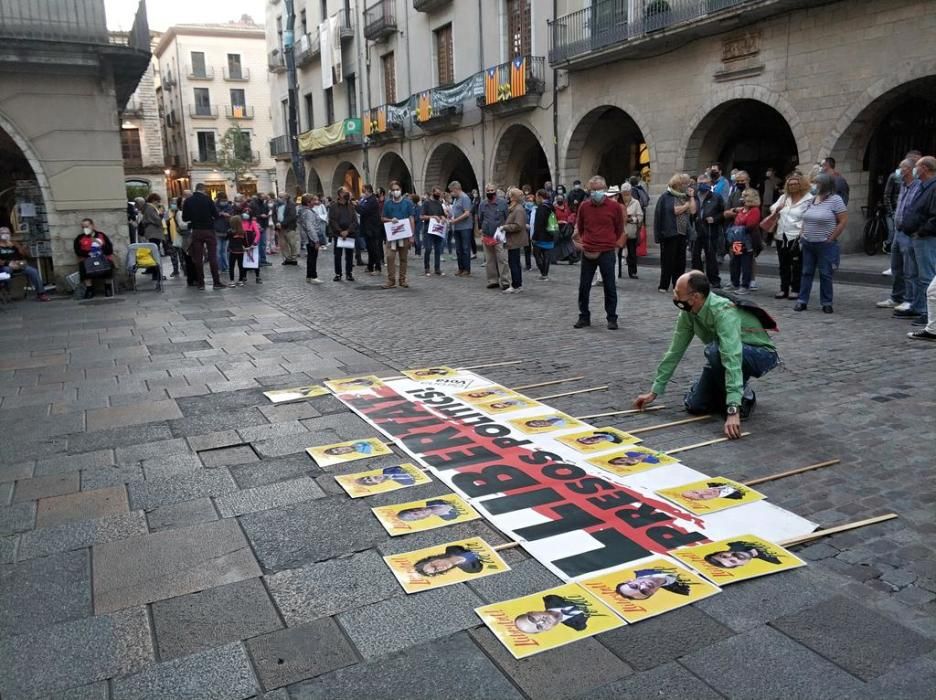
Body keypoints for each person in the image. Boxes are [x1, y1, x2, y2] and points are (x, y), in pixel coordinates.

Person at [634, 270, 779, 438]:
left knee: (715, 351)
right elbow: (675, 351)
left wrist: (733, 410)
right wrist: (655, 390)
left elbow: (731, 356)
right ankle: (723, 391)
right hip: (721, 354)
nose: (674, 297)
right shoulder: (688, 313)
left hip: (760, 354)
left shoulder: (723, 312)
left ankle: (744, 394)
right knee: (694, 405)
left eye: (678, 293)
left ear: (695, 297)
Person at [572, 175, 624, 329]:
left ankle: (612, 318)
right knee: (584, 286)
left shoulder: (614, 207)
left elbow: (619, 228)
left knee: (609, 286)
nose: (596, 192)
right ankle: (584, 316)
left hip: (607, 250)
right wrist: (586, 240)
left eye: (599, 189)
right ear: (589, 191)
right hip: (588, 250)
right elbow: (580, 227)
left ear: (605, 189)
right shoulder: (584, 206)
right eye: (593, 190)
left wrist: (610, 241)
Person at [795, 173, 848, 313]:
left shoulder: (835, 200)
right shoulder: (812, 200)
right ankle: (802, 300)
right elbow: (805, 219)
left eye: (816, 183)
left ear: (824, 184)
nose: (813, 185)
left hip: (825, 244)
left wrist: (831, 237)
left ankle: (826, 302)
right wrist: (802, 233)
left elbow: (842, 221)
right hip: (808, 242)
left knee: (825, 273)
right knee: (806, 272)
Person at [878, 155, 921, 311]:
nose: (899, 170)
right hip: (898, 229)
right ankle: (897, 296)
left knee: (910, 267)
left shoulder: (918, 186)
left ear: (908, 169)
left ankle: (910, 299)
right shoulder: (903, 185)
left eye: (902, 167)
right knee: (896, 265)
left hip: (909, 231)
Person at [903, 155, 936, 332]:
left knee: (927, 275)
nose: (915, 170)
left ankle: (927, 311)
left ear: (925, 168)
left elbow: (934, 216)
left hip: (926, 237)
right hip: (916, 236)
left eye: (917, 167)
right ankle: (917, 306)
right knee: (915, 274)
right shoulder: (924, 187)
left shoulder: (933, 187)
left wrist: (922, 230)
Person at [769, 171, 809, 299]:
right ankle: (783, 288)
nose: (792, 186)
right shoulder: (784, 197)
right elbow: (772, 208)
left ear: (801, 184)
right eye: (790, 184)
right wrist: (778, 208)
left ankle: (796, 288)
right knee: (783, 263)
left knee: (797, 264)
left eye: (795, 184)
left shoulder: (808, 199)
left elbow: (808, 217)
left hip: (796, 234)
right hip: (782, 233)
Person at [654, 173, 696, 293]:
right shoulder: (667, 197)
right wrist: (686, 205)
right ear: (678, 184)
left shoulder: (685, 196)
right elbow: (675, 211)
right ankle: (663, 285)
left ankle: (677, 285)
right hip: (669, 233)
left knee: (680, 262)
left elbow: (693, 211)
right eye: (685, 183)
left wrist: (691, 197)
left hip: (682, 233)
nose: (687, 185)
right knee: (668, 260)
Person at [182, 183, 223, 290]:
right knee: (212, 257)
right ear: (203, 190)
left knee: (198, 258)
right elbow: (216, 215)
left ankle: (200, 283)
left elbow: (185, 218)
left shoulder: (188, 201)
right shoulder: (208, 199)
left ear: (195, 189)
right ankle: (216, 282)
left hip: (196, 231)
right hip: (209, 230)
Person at [725, 188, 762, 293]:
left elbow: (751, 225)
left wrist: (739, 227)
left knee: (746, 263)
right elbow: (736, 221)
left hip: (747, 240)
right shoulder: (741, 210)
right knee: (735, 262)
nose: (742, 198)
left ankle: (745, 285)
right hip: (737, 240)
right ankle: (734, 282)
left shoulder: (754, 210)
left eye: (745, 196)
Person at [381, 180, 415, 289]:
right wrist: (390, 220)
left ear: (401, 190)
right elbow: (382, 218)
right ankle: (391, 280)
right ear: (391, 191)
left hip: (404, 234)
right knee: (390, 257)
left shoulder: (407, 203)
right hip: (392, 235)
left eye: (397, 189)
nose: (396, 192)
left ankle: (402, 279)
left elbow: (411, 218)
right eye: (394, 190)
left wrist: (412, 235)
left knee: (403, 258)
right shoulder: (387, 203)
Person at [0, 228, 49, 301]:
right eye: (3, 233)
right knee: (7, 270)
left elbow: (26, 254)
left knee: (33, 271)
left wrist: (20, 248)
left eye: (7, 233)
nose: (6, 234)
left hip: (18, 264)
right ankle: (6, 291)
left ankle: (41, 293)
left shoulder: (14, 243)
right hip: (5, 266)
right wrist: (8, 263)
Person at [694, 174, 724, 288]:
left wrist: (715, 219)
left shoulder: (716, 197)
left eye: (705, 183)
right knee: (696, 256)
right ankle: (698, 280)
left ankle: (714, 280)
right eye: (700, 183)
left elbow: (723, 213)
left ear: (710, 184)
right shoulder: (694, 197)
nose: (702, 185)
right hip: (696, 230)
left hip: (710, 230)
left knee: (711, 256)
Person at [73, 219, 115, 298]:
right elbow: (78, 251)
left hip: (102, 258)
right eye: (83, 227)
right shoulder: (80, 238)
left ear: (92, 226)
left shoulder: (101, 235)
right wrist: (88, 253)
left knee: (109, 264)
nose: (85, 228)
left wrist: (100, 245)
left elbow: (109, 250)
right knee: (83, 266)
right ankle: (89, 290)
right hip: (88, 259)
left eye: (87, 226)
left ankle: (108, 288)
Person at [477, 183, 509, 289]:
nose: (490, 192)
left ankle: (505, 281)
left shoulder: (503, 203)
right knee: (489, 259)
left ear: (495, 191)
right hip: (487, 235)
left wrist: (505, 229)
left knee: (502, 258)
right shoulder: (482, 204)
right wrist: (481, 231)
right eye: (488, 190)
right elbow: (480, 219)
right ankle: (492, 280)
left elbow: (507, 217)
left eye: (492, 190)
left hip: (499, 235)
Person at [501, 187, 529, 293]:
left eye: (509, 195)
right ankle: (517, 284)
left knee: (514, 263)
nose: (507, 197)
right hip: (513, 239)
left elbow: (518, 225)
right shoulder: (514, 208)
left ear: (513, 198)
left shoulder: (518, 209)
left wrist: (505, 227)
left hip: (515, 240)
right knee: (514, 262)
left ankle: (516, 285)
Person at [514, 595, 588, 634]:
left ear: (532, 612)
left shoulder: (551, 598)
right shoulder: (578, 625)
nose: (541, 622)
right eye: (539, 626)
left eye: (532, 619)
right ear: (547, 629)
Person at [329, 187, 358, 282]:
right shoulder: (333, 206)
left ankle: (349, 273)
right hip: (338, 234)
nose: (347, 194)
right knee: (338, 255)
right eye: (345, 192)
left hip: (350, 234)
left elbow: (354, 220)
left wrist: (348, 231)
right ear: (340, 194)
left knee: (349, 255)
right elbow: (332, 220)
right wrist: (340, 231)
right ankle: (338, 274)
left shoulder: (351, 206)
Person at [447, 180, 474, 276]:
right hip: (457, 227)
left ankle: (467, 269)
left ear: (456, 189)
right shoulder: (456, 199)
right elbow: (455, 211)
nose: (451, 193)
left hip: (465, 227)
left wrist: (456, 220)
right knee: (458, 249)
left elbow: (467, 213)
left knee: (465, 248)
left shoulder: (464, 198)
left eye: (451, 191)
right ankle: (460, 268)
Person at [298, 194, 326, 284]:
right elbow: (310, 227)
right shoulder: (308, 212)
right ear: (308, 202)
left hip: (308, 237)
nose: (316, 202)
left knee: (311, 257)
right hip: (311, 238)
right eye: (313, 200)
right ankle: (313, 276)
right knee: (312, 257)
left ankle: (309, 276)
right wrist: (316, 240)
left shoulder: (304, 210)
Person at [615, 568, 692, 600]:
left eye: (634, 586)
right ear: (653, 593)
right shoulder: (683, 590)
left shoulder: (641, 567)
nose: (644, 587)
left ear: (629, 581)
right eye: (644, 591)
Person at [530, 188, 556, 282]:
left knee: (537, 255)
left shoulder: (541, 208)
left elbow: (538, 224)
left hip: (541, 236)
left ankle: (543, 274)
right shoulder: (551, 206)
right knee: (547, 255)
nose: (536, 199)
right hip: (550, 233)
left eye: (536, 197)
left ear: (540, 197)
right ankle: (545, 274)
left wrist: (534, 237)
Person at [357, 185, 383, 275]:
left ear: (368, 190)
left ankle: (378, 268)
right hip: (367, 228)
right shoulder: (366, 199)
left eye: (364, 191)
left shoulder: (372, 200)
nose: (363, 193)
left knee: (374, 249)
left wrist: (356, 205)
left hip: (372, 229)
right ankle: (370, 266)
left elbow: (363, 211)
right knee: (370, 249)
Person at [421, 186, 446, 277]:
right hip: (428, 229)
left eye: (439, 193)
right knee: (428, 249)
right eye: (437, 193)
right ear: (432, 193)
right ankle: (427, 268)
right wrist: (432, 217)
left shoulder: (439, 203)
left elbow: (442, 214)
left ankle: (437, 268)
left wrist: (443, 218)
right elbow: (422, 216)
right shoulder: (426, 203)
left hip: (438, 229)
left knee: (438, 249)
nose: (438, 195)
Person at [413, 544, 483, 576]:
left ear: (433, 559)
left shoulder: (452, 547)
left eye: (434, 565)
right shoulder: (471, 569)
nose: (440, 567)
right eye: (436, 570)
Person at [620, 183, 644, 280]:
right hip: (620, 232)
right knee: (618, 253)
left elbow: (640, 216)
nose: (625, 195)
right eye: (624, 193)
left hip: (631, 232)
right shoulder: (619, 202)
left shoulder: (636, 202)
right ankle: (618, 272)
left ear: (630, 192)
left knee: (632, 253)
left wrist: (631, 219)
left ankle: (633, 272)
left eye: (627, 193)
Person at [226, 215, 256, 287]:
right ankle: (240, 281)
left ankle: (232, 281)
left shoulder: (230, 232)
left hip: (232, 251)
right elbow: (245, 243)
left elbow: (227, 239)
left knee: (231, 266)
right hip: (241, 251)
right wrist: (247, 248)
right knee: (241, 266)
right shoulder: (243, 232)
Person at [704, 541, 781, 569]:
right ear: (742, 564)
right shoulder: (774, 561)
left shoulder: (735, 542)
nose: (734, 557)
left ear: (722, 551)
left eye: (724, 556)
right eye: (733, 561)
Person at [273, 192, 299, 265]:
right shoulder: (276, 205)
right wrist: (276, 223)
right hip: (279, 228)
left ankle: (294, 258)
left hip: (289, 227)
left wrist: (282, 223)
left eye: (281, 197)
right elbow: (274, 215)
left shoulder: (291, 205)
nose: (279, 198)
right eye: (278, 196)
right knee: (283, 244)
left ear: (286, 198)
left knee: (292, 243)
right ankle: (287, 258)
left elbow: (292, 216)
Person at [680, 482, 745, 501]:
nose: (703, 493)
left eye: (695, 492)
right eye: (701, 496)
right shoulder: (736, 497)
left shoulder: (712, 483)